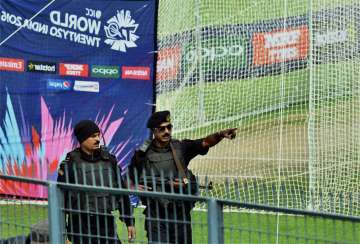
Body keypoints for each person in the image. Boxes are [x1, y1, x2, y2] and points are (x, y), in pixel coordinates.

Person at [128, 111, 237, 244]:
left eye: (169, 127)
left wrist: (220, 134)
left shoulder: (180, 148)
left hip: (180, 213)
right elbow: (130, 178)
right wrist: (136, 187)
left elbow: (204, 143)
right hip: (156, 214)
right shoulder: (142, 154)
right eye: (162, 129)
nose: (167, 131)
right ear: (154, 131)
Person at [57, 120, 135, 244]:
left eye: (98, 135)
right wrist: (62, 230)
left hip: (106, 222)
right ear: (82, 139)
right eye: (93, 136)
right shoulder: (70, 163)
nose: (98, 139)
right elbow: (61, 199)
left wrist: (129, 222)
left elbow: (122, 192)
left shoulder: (109, 160)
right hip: (80, 224)